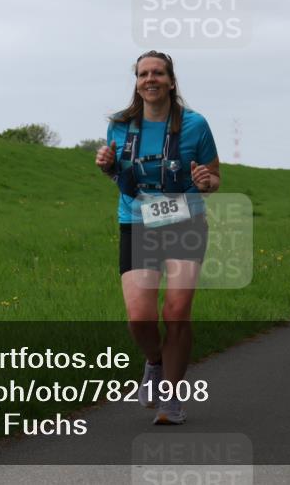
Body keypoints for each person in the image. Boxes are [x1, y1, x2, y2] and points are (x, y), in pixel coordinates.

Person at [95, 51, 220, 425]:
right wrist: (106, 166)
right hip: (137, 223)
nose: (150, 79)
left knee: (177, 312)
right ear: (136, 82)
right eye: (143, 73)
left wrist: (206, 183)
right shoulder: (119, 126)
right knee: (140, 319)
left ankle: (171, 398)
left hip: (185, 221)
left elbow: (214, 178)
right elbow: (121, 176)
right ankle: (155, 362)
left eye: (158, 73)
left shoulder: (195, 125)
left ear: (170, 80)